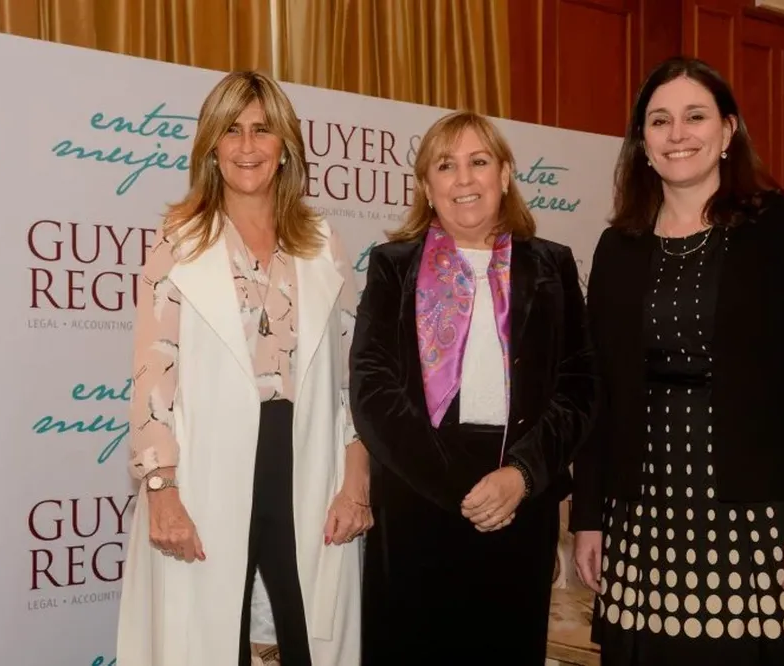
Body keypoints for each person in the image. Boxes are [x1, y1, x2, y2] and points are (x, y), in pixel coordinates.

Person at [571, 56, 784, 665]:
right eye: (659, 121)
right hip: (643, 515)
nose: (678, 134)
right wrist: (589, 516)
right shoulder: (617, 246)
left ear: (728, 131)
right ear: (642, 142)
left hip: (761, 517)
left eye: (695, 116)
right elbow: (599, 394)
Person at [116, 70, 372, 666]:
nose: (248, 145)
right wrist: (162, 492)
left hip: (305, 462)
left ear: (285, 146)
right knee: (211, 641)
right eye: (231, 130)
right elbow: (153, 378)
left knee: (304, 637)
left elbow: (351, 379)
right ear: (211, 146)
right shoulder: (178, 242)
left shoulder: (322, 244)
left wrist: (356, 481)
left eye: (262, 129)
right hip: (209, 468)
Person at [349, 110, 598, 665]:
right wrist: (460, 486)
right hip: (418, 499)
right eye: (446, 165)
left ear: (505, 174)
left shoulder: (551, 266)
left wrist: (522, 476)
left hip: (519, 501)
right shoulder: (393, 267)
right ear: (426, 187)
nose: (464, 179)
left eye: (479, 162)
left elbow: (580, 387)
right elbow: (372, 388)